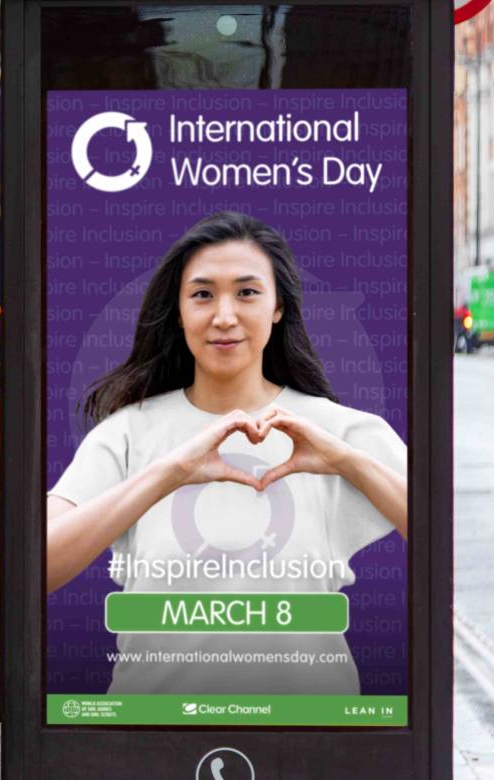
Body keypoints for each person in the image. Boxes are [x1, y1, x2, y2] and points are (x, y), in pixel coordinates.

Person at [45, 212, 406, 696]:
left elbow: (448, 546)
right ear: (177, 310)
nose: (224, 316)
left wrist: (347, 463)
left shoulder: (339, 431)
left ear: (279, 306)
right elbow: (36, 566)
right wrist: (168, 474)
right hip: (152, 734)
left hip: (311, 737)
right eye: (202, 294)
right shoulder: (129, 432)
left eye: (247, 292)